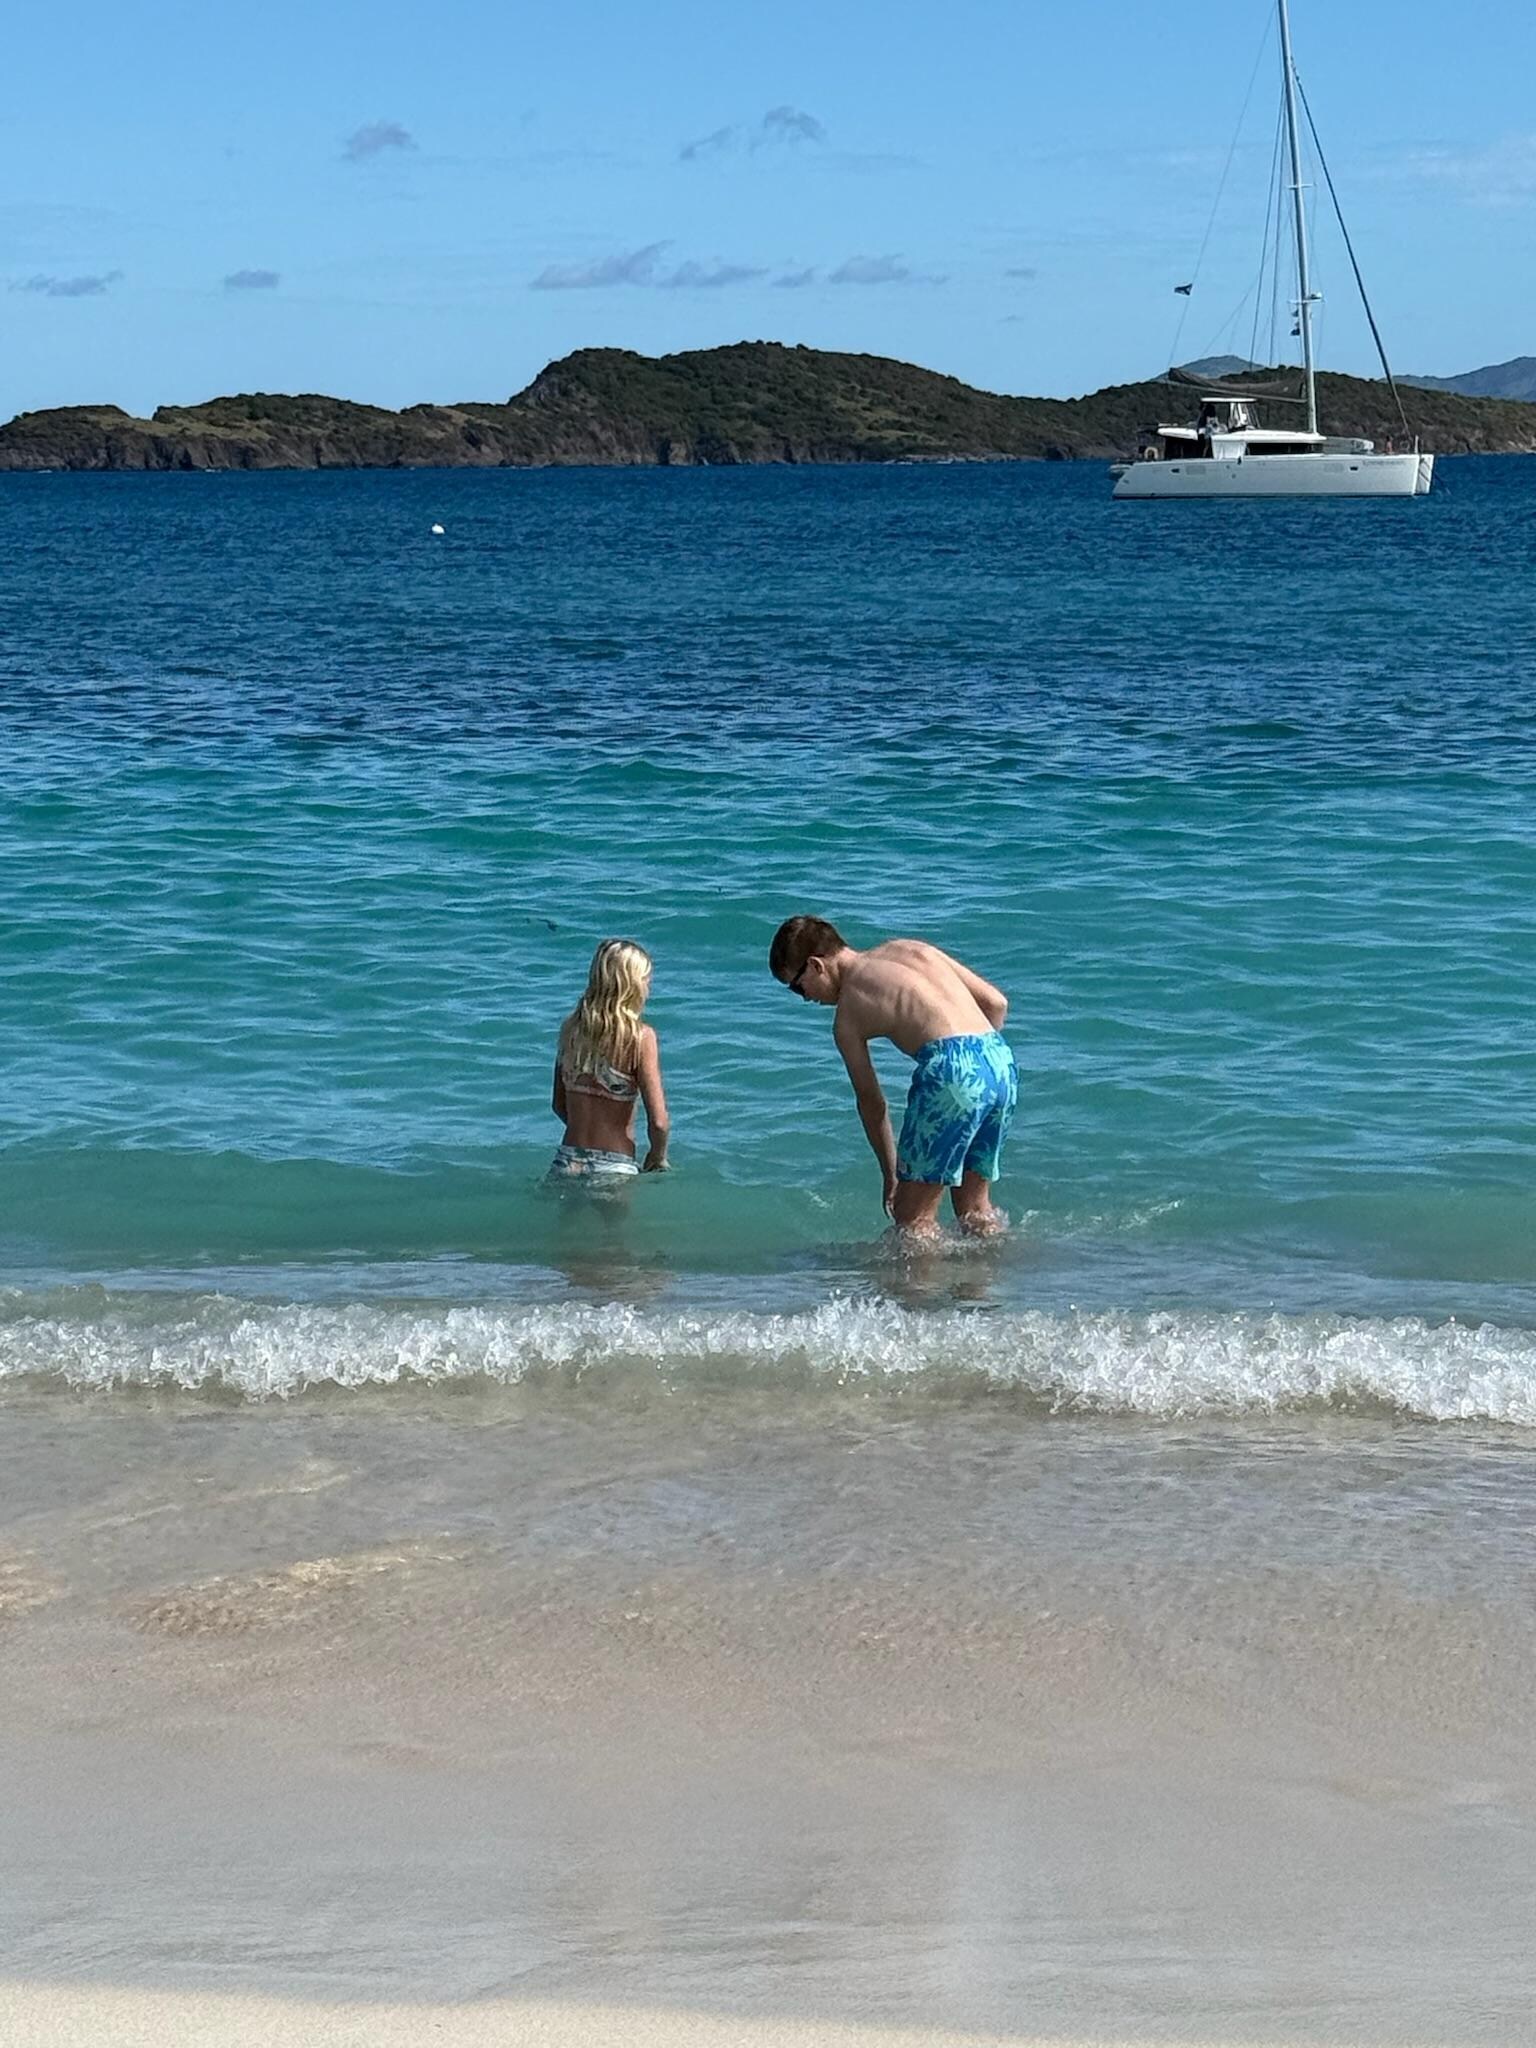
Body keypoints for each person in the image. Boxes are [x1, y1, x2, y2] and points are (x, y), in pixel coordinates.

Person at [769, 916, 1016, 1238]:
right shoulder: (910, 948)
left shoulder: (849, 1012)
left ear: (816, 965)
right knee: (974, 1208)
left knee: (913, 1220)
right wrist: (978, 1072)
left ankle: (916, 1290)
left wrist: (891, 1173)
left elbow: (872, 1103)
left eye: (797, 987)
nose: (806, 999)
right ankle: (982, 1285)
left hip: (951, 1072)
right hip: (998, 1060)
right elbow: (997, 1003)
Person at [548, 939, 669, 1183]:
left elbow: (558, 1104)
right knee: (615, 1224)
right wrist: (657, 1157)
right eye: (646, 980)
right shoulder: (640, 1037)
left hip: (567, 1160)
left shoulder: (570, 1029)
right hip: (614, 1165)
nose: (649, 987)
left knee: (566, 1222)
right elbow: (658, 1122)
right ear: (631, 985)